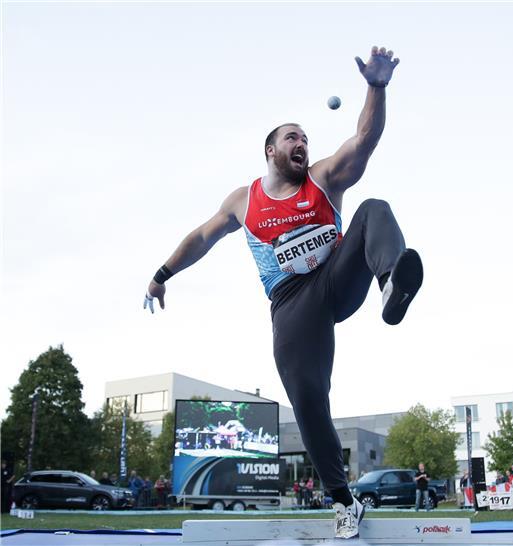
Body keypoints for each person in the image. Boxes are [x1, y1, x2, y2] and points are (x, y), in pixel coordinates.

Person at [142, 46, 419, 540]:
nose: (303, 144)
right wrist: (163, 272)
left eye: (307, 139)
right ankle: (342, 501)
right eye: (293, 137)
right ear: (270, 150)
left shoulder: (323, 177)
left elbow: (364, 139)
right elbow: (201, 238)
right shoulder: (243, 200)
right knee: (308, 397)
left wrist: (376, 87)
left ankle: (391, 281)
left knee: (374, 207)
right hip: (291, 303)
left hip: (337, 276)